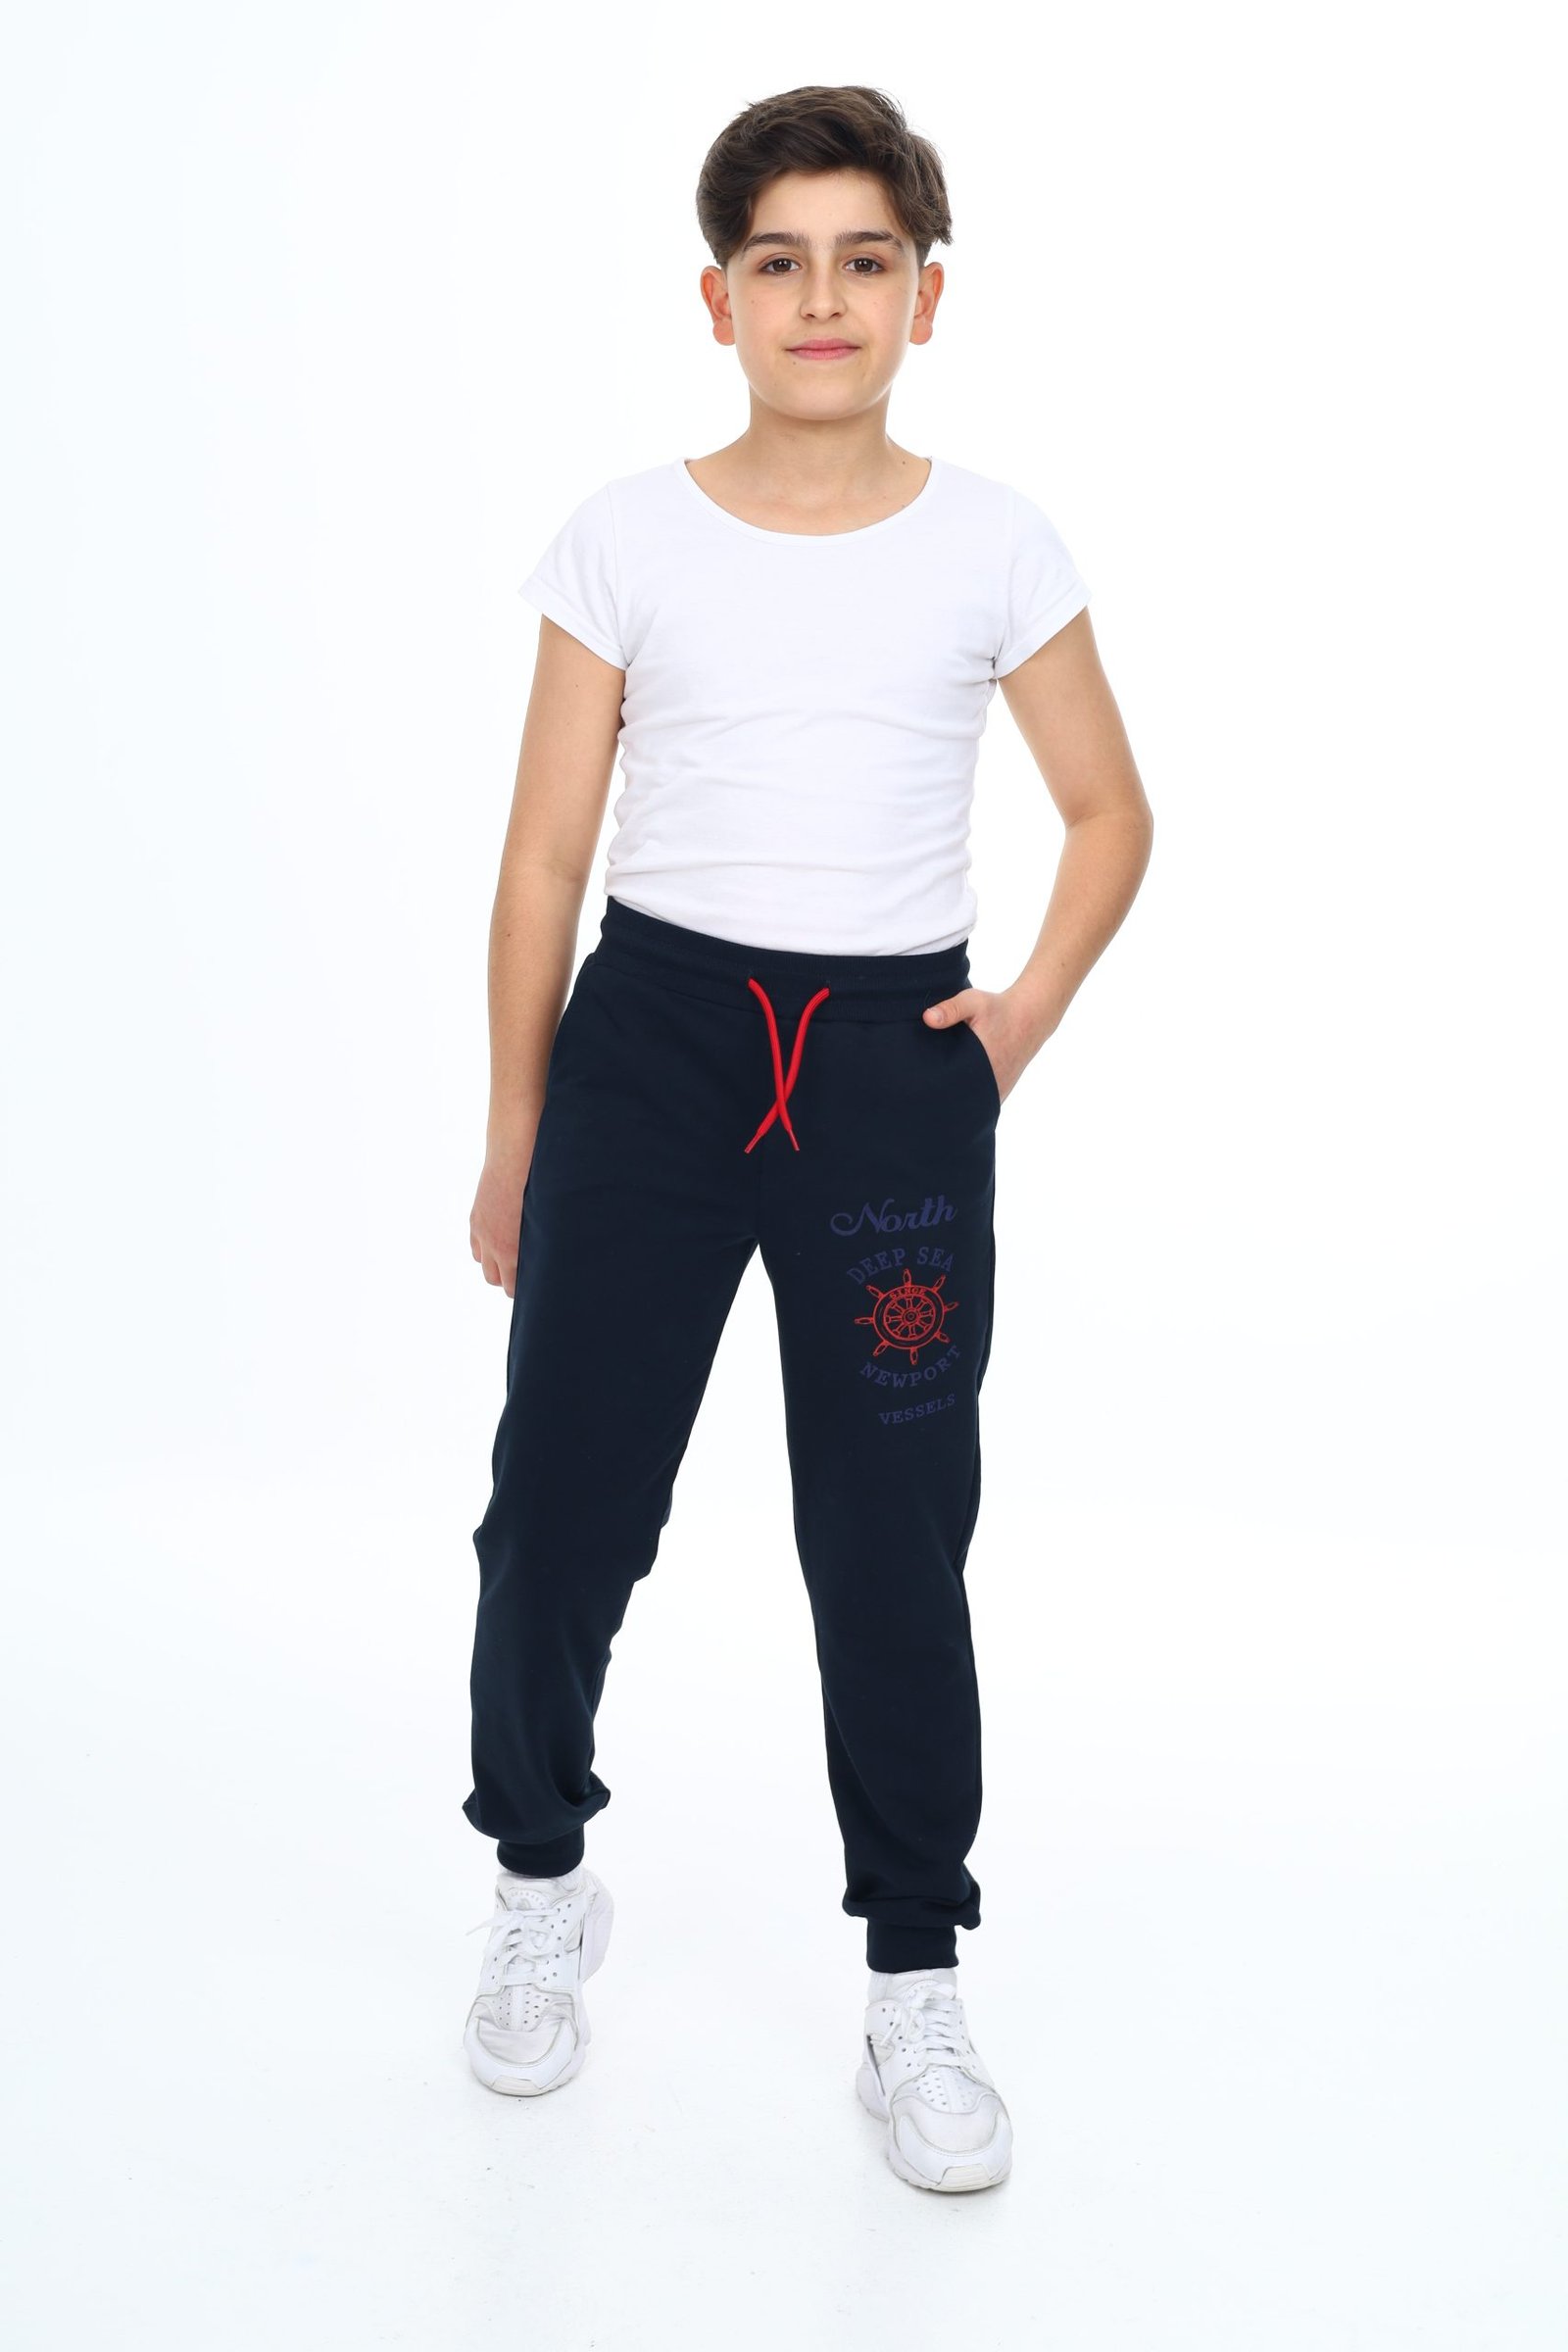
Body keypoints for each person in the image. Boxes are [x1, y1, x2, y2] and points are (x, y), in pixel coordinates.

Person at [459, 83, 1152, 2194]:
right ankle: (539, 1878)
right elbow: (543, 859)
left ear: (927, 296)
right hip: (650, 1055)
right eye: (780, 261)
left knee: (888, 1530)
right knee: (563, 1499)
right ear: (718, 300)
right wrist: (514, 1129)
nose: (822, 298)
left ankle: (913, 1977)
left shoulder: (996, 542)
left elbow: (1109, 812)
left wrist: (1013, 1024)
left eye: (865, 260)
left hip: (885, 1074)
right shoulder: (625, 536)